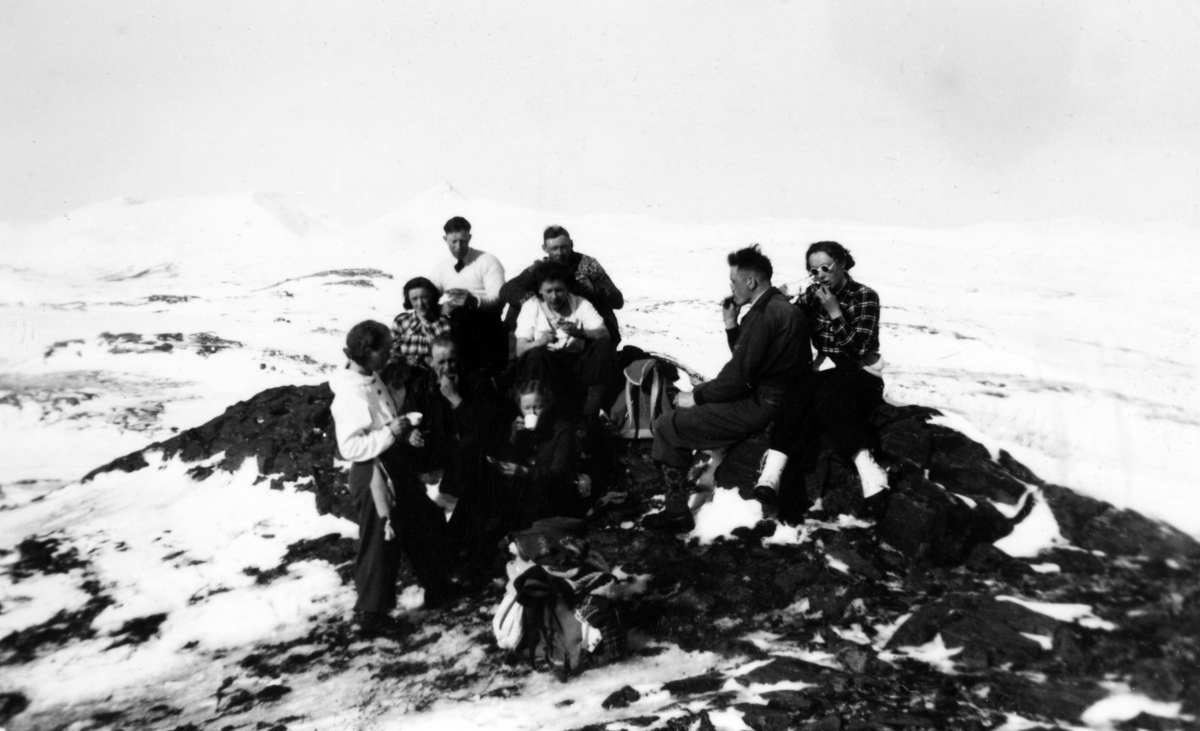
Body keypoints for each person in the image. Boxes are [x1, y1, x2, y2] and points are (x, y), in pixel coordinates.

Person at [643, 245, 809, 533]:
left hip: (760, 404)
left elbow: (737, 377)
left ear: (751, 282)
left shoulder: (762, 315)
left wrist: (695, 396)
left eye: (733, 281)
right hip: (780, 400)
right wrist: (732, 324)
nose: (731, 287)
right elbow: (750, 359)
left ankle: (676, 512)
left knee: (668, 425)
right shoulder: (780, 307)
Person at [329, 321, 453, 633]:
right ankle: (372, 613)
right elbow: (350, 446)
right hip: (373, 473)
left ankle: (438, 588)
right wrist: (390, 431)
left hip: (393, 464)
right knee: (381, 538)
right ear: (367, 351)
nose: (389, 355)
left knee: (424, 519)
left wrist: (398, 428)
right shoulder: (351, 393)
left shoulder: (369, 378)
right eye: (384, 350)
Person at [756, 241, 888, 502]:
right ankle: (771, 475)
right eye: (813, 271)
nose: (819, 275)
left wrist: (835, 312)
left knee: (825, 390)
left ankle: (869, 470)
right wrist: (780, 299)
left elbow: (859, 351)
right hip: (828, 371)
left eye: (825, 268)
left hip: (862, 373)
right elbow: (791, 319)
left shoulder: (865, 296)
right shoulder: (813, 294)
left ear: (842, 264)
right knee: (800, 390)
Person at [399, 336, 514, 574]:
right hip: (440, 451)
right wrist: (410, 434)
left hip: (475, 455)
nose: (448, 367)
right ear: (430, 361)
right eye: (442, 362)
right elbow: (405, 417)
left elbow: (487, 428)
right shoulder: (422, 386)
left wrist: (455, 399)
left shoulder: (476, 382)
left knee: (468, 453)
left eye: (452, 360)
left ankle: (460, 544)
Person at [514, 261, 614, 420]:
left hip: (576, 363)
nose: (555, 296)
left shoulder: (580, 303)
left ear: (567, 288)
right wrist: (540, 342)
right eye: (549, 291)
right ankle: (536, 413)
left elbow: (604, 334)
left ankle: (590, 412)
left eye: (559, 290)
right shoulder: (531, 306)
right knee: (535, 355)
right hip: (549, 365)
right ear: (540, 290)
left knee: (602, 347)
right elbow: (520, 349)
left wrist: (580, 332)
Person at [500, 225, 625, 345]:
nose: (559, 253)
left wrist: (595, 290)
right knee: (516, 304)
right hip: (551, 324)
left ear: (571, 244)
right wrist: (530, 300)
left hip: (585, 327)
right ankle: (513, 359)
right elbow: (507, 289)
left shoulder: (588, 264)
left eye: (564, 247)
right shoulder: (540, 267)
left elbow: (618, 301)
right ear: (545, 249)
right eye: (554, 248)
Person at [492, 380, 589, 529]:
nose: (531, 413)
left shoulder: (562, 429)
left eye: (537, 407)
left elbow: (559, 472)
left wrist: (525, 472)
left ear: (548, 405)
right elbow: (506, 460)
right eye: (526, 408)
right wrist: (512, 437)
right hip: (525, 495)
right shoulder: (519, 430)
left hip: (553, 496)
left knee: (535, 494)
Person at [428, 216, 508, 372]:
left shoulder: (487, 261)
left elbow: (499, 299)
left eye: (463, 241)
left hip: (485, 323)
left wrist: (473, 301)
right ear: (445, 239)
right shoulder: (442, 268)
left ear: (470, 237)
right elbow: (426, 297)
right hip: (456, 324)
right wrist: (439, 308)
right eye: (453, 242)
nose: (459, 246)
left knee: (462, 315)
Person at [390, 276, 452, 373]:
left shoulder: (444, 325)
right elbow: (392, 353)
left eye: (424, 297)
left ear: (432, 297)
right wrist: (405, 361)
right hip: (404, 378)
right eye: (414, 299)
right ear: (409, 300)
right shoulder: (401, 322)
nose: (420, 304)